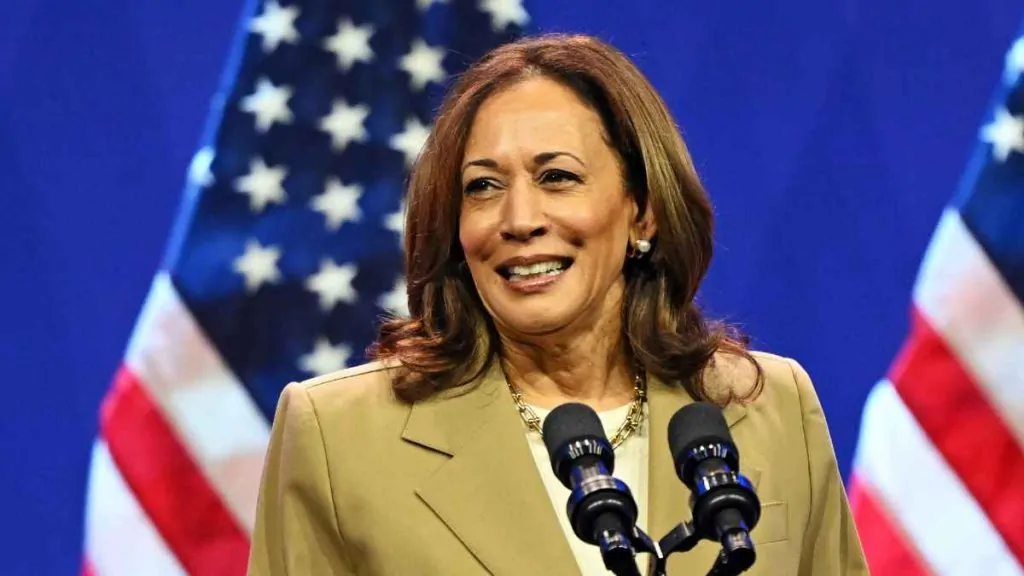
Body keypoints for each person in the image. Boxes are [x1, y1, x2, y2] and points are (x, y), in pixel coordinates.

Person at [247, 33, 868, 576]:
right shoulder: (338, 436)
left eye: (557, 177)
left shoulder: (771, 406)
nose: (519, 220)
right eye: (483, 186)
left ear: (642, 211)